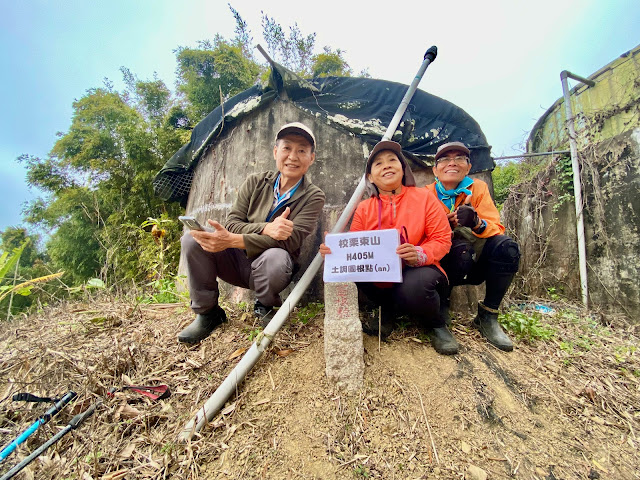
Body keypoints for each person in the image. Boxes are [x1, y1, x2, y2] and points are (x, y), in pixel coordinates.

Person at [178, 122, 326, 344]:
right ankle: (207, 314)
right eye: (287, 148)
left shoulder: (313, 196)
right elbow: (233, 222)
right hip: (235, 262)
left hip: (272, 268)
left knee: (276, 257)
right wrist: (265, 228)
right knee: (193, 239)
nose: (292, 156)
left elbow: (289, 241)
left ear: (311, 158)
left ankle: (264, 305)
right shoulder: (255, 182)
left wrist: (231, 240)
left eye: (302, 150)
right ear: (276, 151)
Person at [320, 140, 458, 355]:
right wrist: (336, 251)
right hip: (383, 279)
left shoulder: (425, 198)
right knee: (358, 273)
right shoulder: (364, 208)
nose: (386, 166)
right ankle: (386, 310)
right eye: (378, 163)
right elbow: (355, 250)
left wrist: (419, 254)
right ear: (370, 177)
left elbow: (442, 239)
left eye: (392, 160)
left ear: (403, 169)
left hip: (419, 271)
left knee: (416, 286)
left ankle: (436, 324)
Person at [426, 141, 520, 351]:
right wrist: (444, 223)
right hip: (453, 258)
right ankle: (442, 305)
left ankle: (488, 316)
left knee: (507, 247)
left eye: (459, 158)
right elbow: (420, 233)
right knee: (459, 251)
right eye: (445, 159)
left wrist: (476, 222)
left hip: (478, 258)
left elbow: (496, 227)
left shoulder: (477, 188)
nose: (453, 163)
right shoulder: (426, 194)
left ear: (468, 167)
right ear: (435, 169)